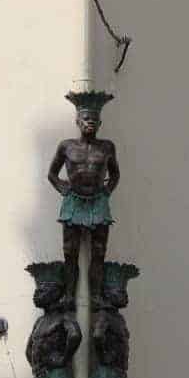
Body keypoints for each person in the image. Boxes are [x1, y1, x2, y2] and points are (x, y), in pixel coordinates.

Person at [48, 91, 120, 309]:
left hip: (98, 200)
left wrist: (107, 191)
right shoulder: (66, 146)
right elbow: (52, 173)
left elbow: (115, 174)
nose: (90, 123)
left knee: (99, 252)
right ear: (78, 122)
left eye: (94, 120)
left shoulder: (107, 147)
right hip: (74, 200)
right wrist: (62, 187)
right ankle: (69, 295)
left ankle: (96, 296)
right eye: (86, 119)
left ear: (100, 123)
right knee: (70, 252)